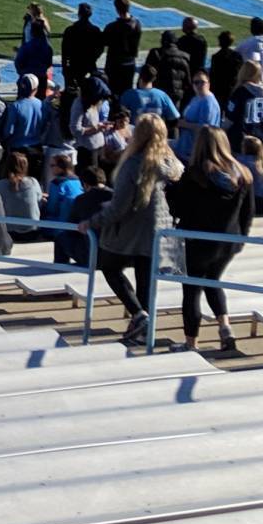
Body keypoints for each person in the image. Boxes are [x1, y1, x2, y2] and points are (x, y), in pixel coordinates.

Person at [86, 114, 180, 350]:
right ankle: (143, 327)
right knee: (145, 279)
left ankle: (138, 315)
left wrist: (94, 221)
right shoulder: (171, 163)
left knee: (109, 266)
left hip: (133, 228)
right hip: (161, 227)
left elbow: (119, 207)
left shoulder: (133, 163)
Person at [169, 128, 254, 354]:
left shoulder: (196, 175)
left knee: (192, 291)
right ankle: (225, 328)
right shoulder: (243, 174)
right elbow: (248, 212)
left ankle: (191, 342)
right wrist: (241, 239)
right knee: (213, 282)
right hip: (228, 240)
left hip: (197, 239)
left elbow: (178, 208)